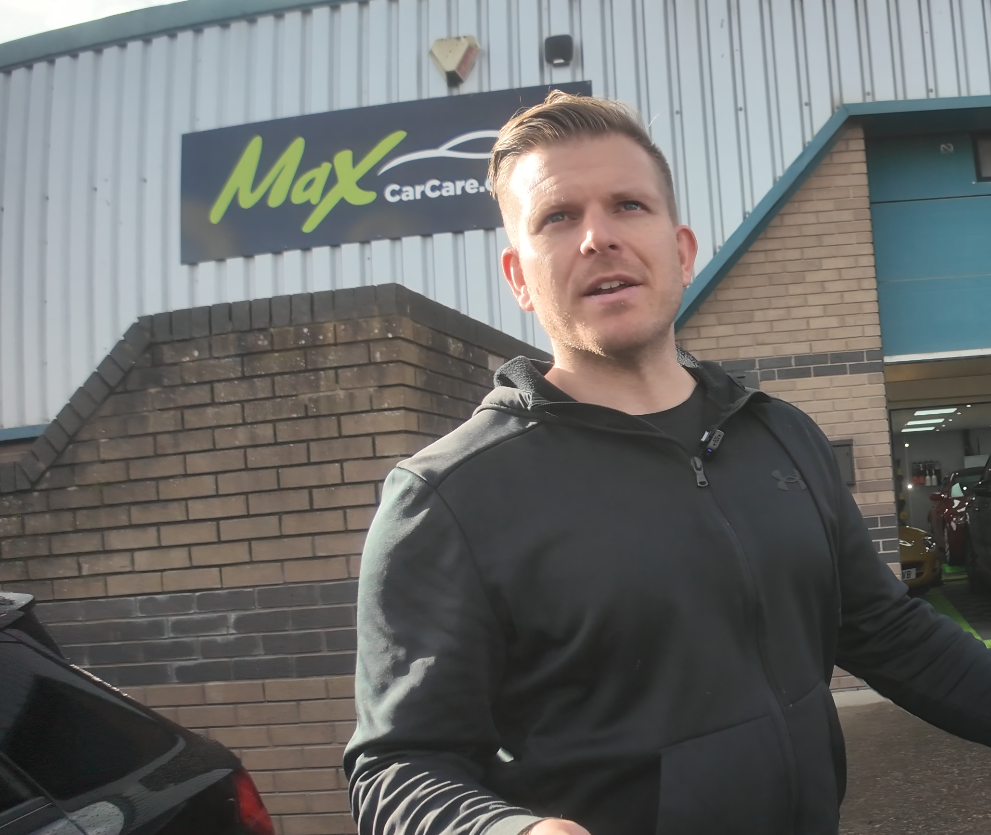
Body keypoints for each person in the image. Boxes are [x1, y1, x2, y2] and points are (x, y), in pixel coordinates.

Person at [343, 92, 991, 835]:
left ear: (680, 251)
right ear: (518, 276)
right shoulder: (446, 497)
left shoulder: (781, 437)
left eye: (627, 205)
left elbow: (888, 631)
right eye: (557, 217)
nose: (596, 237)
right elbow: (396, 767)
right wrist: (501, 831)